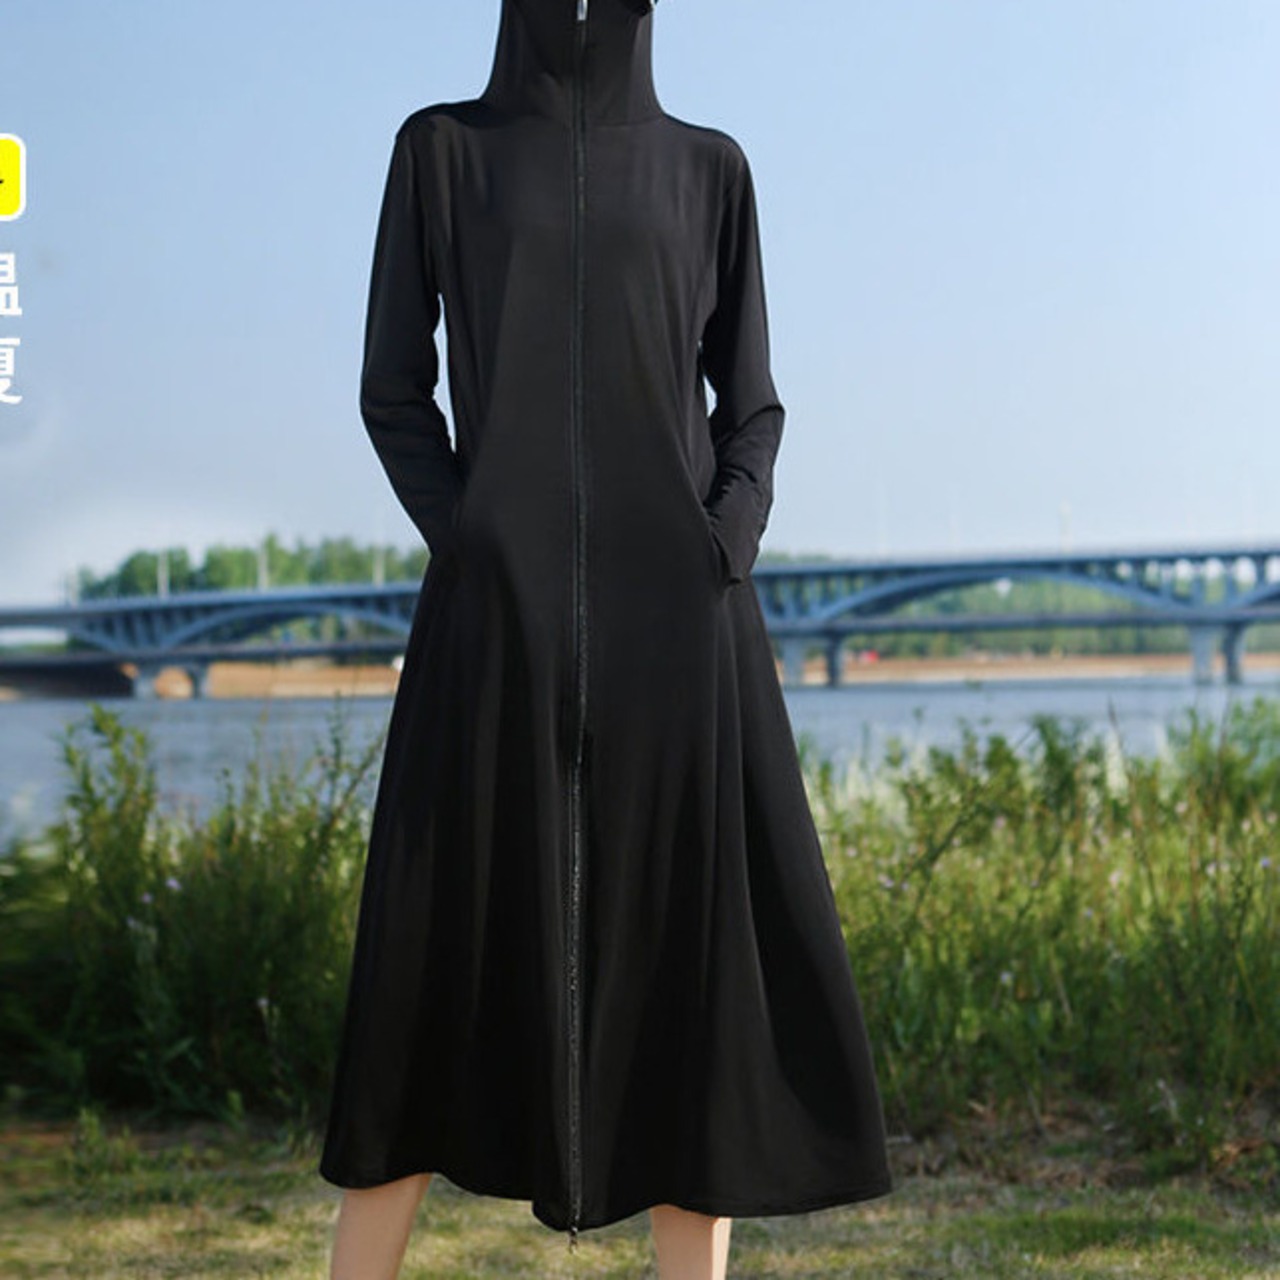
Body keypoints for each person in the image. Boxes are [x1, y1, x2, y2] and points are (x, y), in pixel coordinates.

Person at [320, 2, 893, 1276]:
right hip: (492, 622)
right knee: (424, 964)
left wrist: (721, 543)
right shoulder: (440, 153)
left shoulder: (709, 169)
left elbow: (751, 402)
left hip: (683, 627)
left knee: (693, 973)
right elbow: (392, 388)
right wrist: (470, 536)